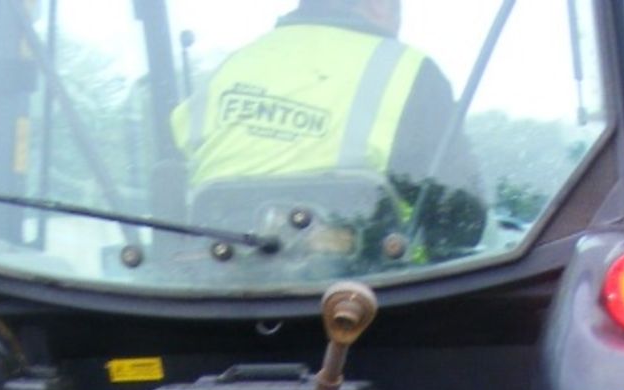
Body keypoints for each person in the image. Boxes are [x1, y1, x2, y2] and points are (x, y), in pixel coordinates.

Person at [171, 0, 484, 257]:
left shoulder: (232, 66)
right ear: (378, 6)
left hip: (218, 299)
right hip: (360, 307)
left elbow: (173, 182)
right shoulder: (408, 72)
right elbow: (460, 221)